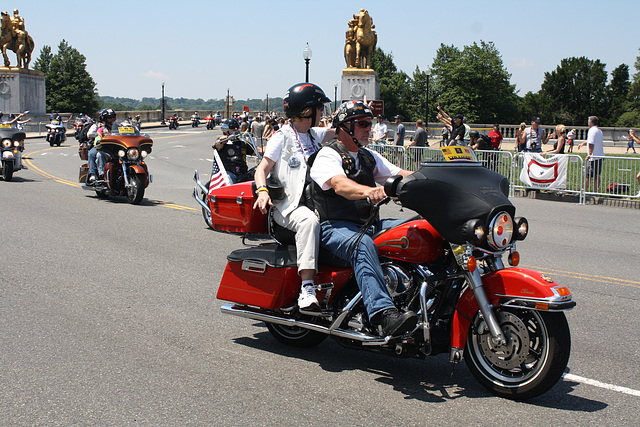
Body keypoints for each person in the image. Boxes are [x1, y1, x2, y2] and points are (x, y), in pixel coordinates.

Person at [307, 100, 417, 337]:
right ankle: (383, 314)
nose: (369, 128)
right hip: (334, 226)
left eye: (371, 123)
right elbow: (340, 185)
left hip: (368, 224)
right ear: (345, 127)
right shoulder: (327, 155)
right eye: (363, 124)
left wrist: (434, 176)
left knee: (416, 228)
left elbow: (399, 174)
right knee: (362, 244)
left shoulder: (368, 157)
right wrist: (369, 192)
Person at [253, 83, 334, 311]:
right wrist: (262, 191)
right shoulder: (282, 137)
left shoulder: (313, 135)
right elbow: (262, 169)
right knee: (309, 221)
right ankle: (306, 288)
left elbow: (338, 132)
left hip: (317, 203)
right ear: (307, 110)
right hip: (288, 208)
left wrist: (357, 117)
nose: (322, 113)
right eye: (319, 108)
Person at [214, 118, 254, 184]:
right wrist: (222, 139)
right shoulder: (223, 142)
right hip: (229, 173)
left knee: (256, 172)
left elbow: (256, 151)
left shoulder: (242, 142)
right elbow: (218, 145)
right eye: (233, 127)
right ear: (226, 129)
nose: (235, 129)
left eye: (237, 127)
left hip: (243, 173)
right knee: (229, 179)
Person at [86, 108, 117, 184]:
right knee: (94, 154)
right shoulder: (101, 128)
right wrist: (98, 141)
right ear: (104, 119)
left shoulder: (119, 128)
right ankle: (97, 175)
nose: (112, 119)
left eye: (113, 117)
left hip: (116, 149)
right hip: (103, 148)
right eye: (110, 117)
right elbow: (97, 138)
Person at [577, 116, 605, 191]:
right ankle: (595, 191)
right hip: (600, 156)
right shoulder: (599, 130)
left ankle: (583, 191)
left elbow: (591, 143)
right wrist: (583, 143)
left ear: (590, 122)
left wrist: (589, 154)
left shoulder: (591, 130)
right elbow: (591, 141)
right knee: (596, 175)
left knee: (588, 176)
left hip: (593, 157)